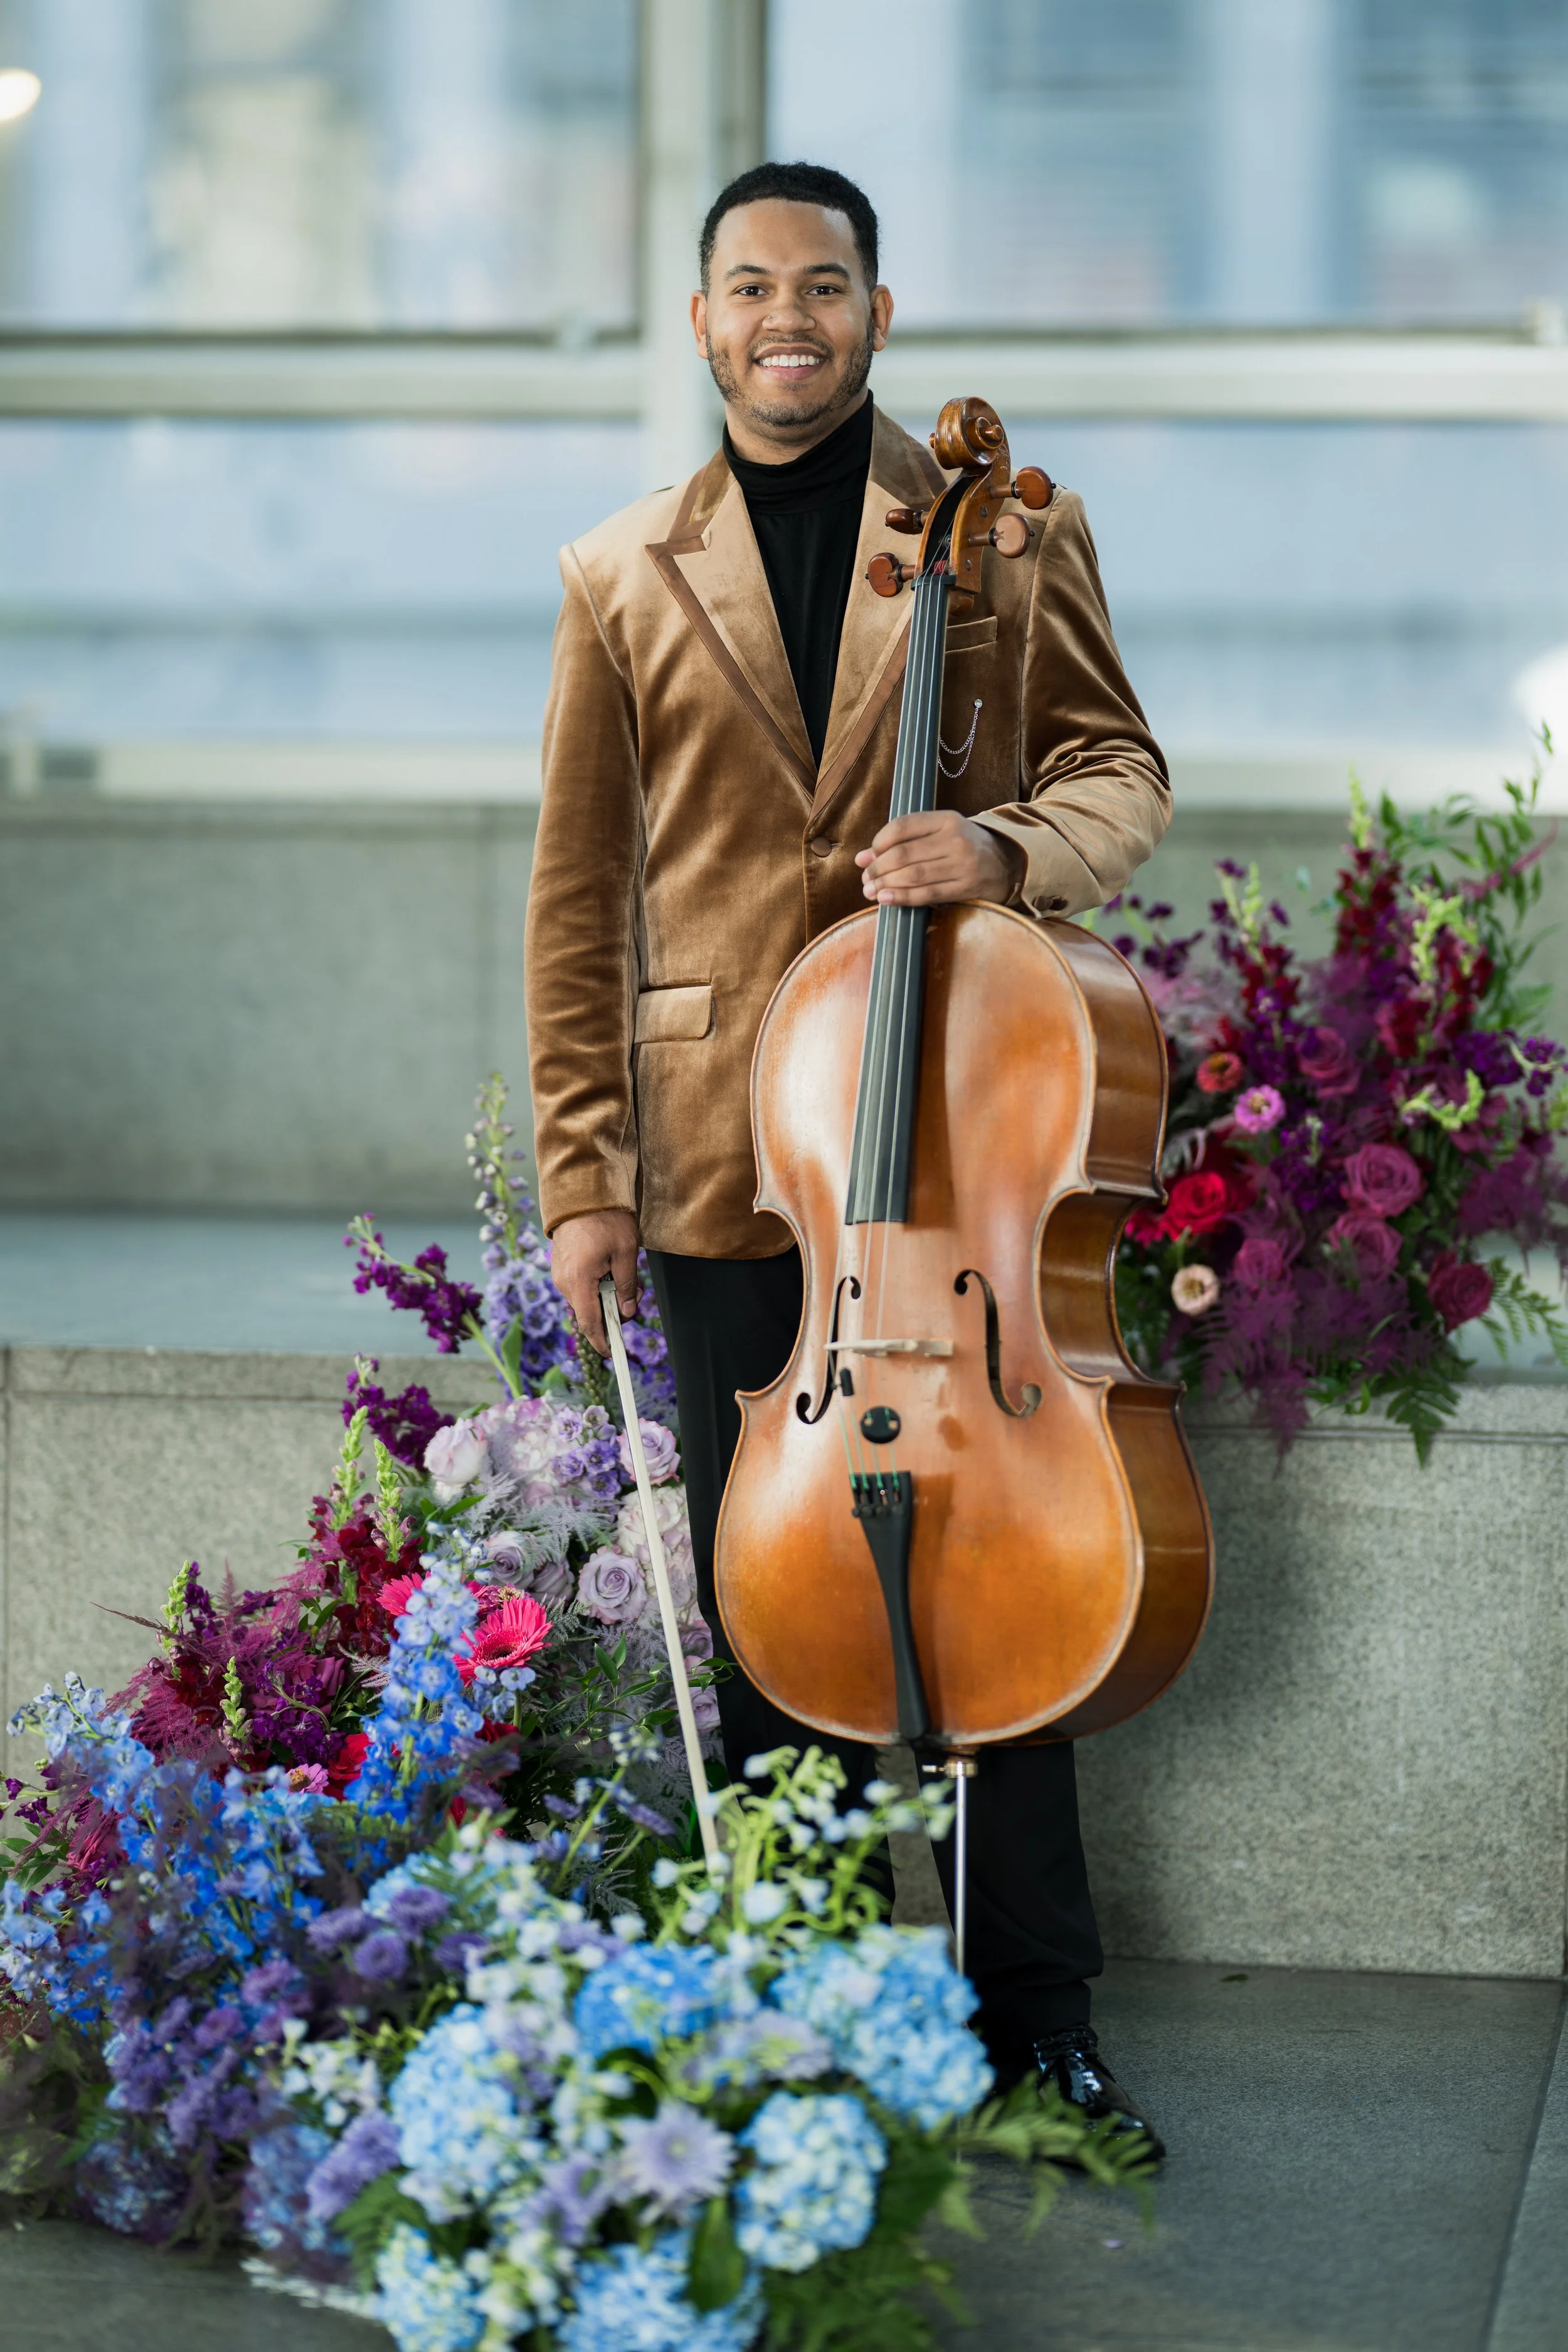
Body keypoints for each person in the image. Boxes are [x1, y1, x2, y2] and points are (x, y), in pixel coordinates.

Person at [524, 160, 1169, 2153]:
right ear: (703, 321)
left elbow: (1116, 773)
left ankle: (1030, 2018)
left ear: (877, 315)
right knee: (765, 1603)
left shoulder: (1002, 528)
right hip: (738, 1147)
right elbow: (577, 900)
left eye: (823, 282)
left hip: (959, 1135)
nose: (785, 313)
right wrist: (581, 1172)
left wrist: (996, 851)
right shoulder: (620, 573)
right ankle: (805, 2020)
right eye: (748, 285)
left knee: (1009, 1595)